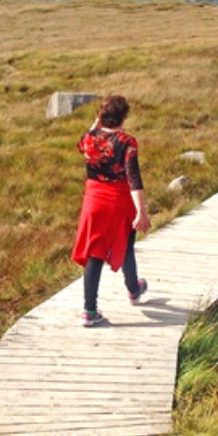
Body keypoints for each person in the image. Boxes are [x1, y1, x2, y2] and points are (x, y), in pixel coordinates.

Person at [72, 96, 151, 327]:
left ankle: (89, 310)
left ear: (101, 116)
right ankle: (133, 289)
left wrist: (96, 124)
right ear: (124, 117)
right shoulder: (127, 142)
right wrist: (141, 212)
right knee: (125, 244)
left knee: (94, 251)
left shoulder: (89, 139)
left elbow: (81, 144)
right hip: (118, 199)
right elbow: (133, 178)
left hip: (93, 199)